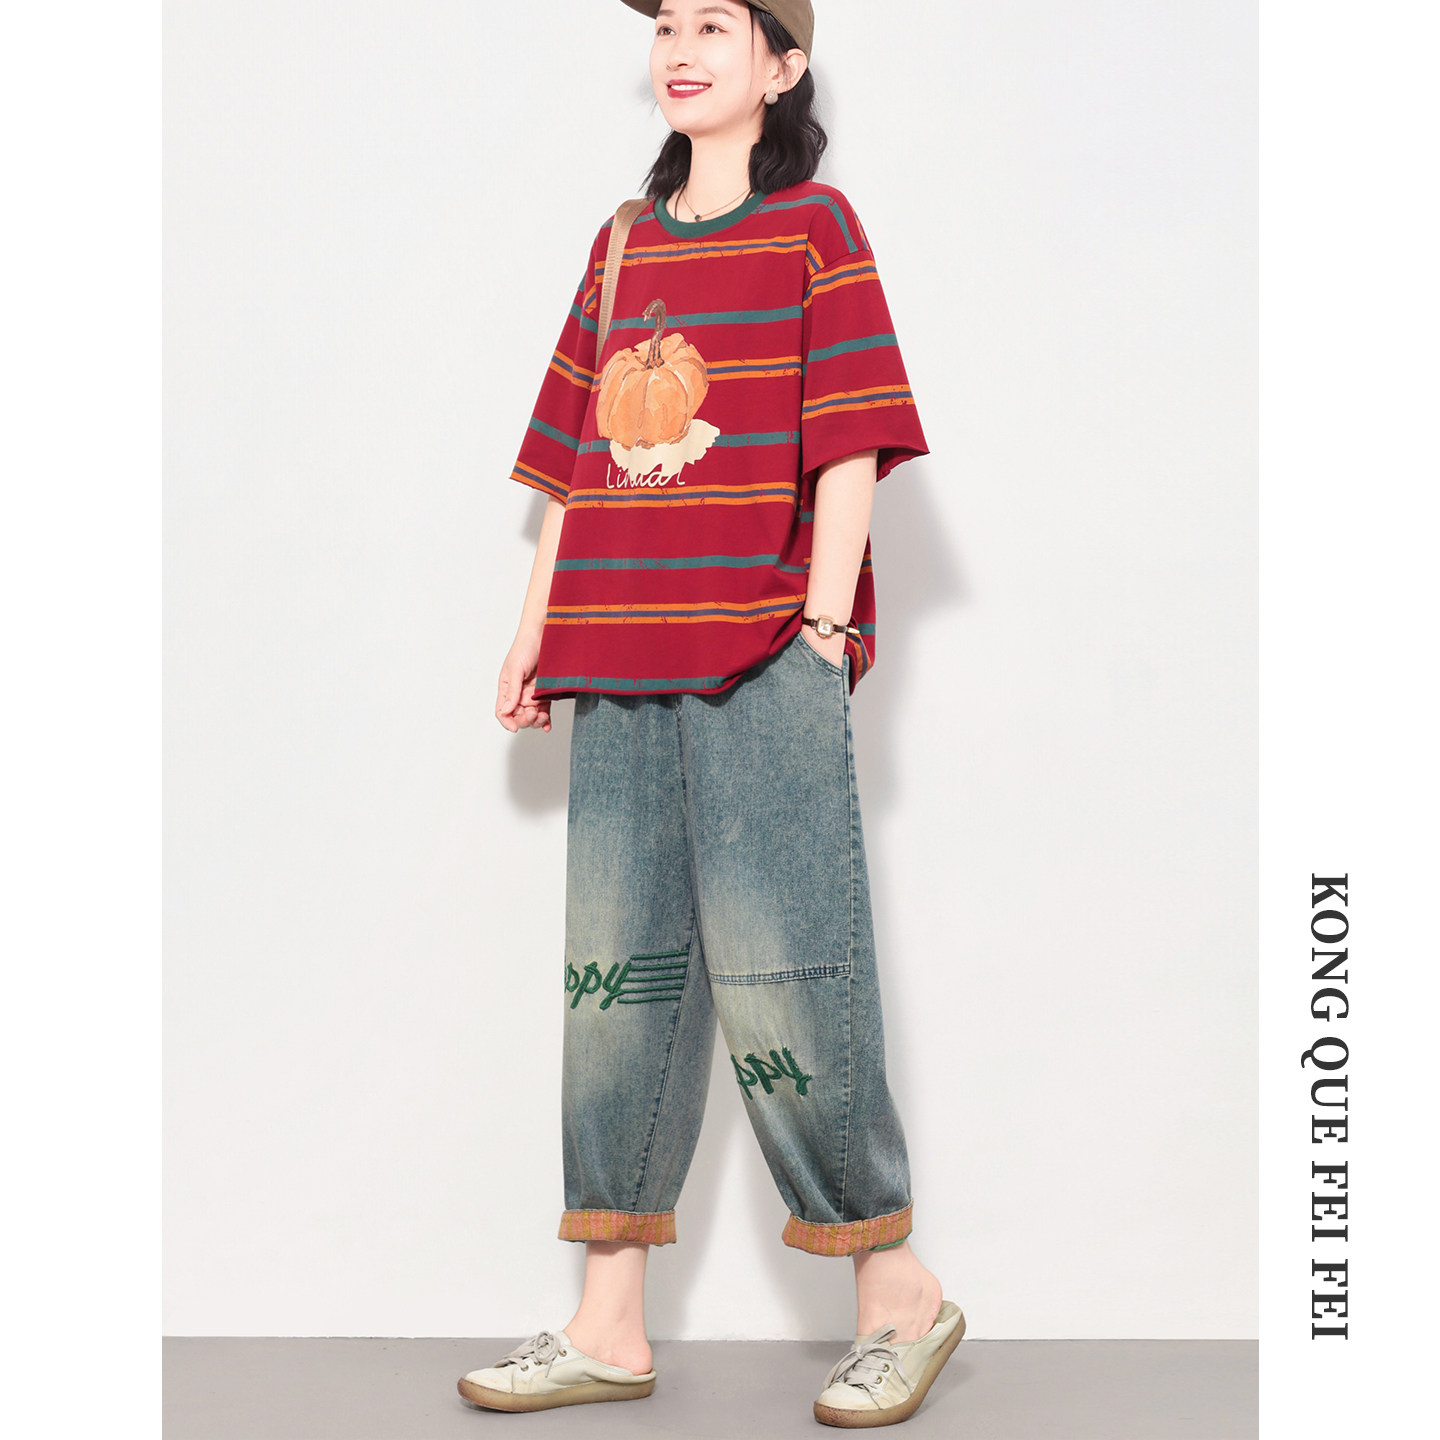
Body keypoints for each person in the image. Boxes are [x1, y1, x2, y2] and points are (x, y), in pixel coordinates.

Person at [461, 1, 964, 1427]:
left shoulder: (816, 231)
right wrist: (533, 630)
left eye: (714, 29)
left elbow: (851, 439)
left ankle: (896, 1293)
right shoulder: (623, 244)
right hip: (614, 661)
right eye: (667, 28)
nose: (680, 51)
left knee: (787, 975)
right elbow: (577, 462)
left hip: (759, 660)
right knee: (614, 990)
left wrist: (821, 627)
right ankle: (609, 1323)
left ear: (780, 66)